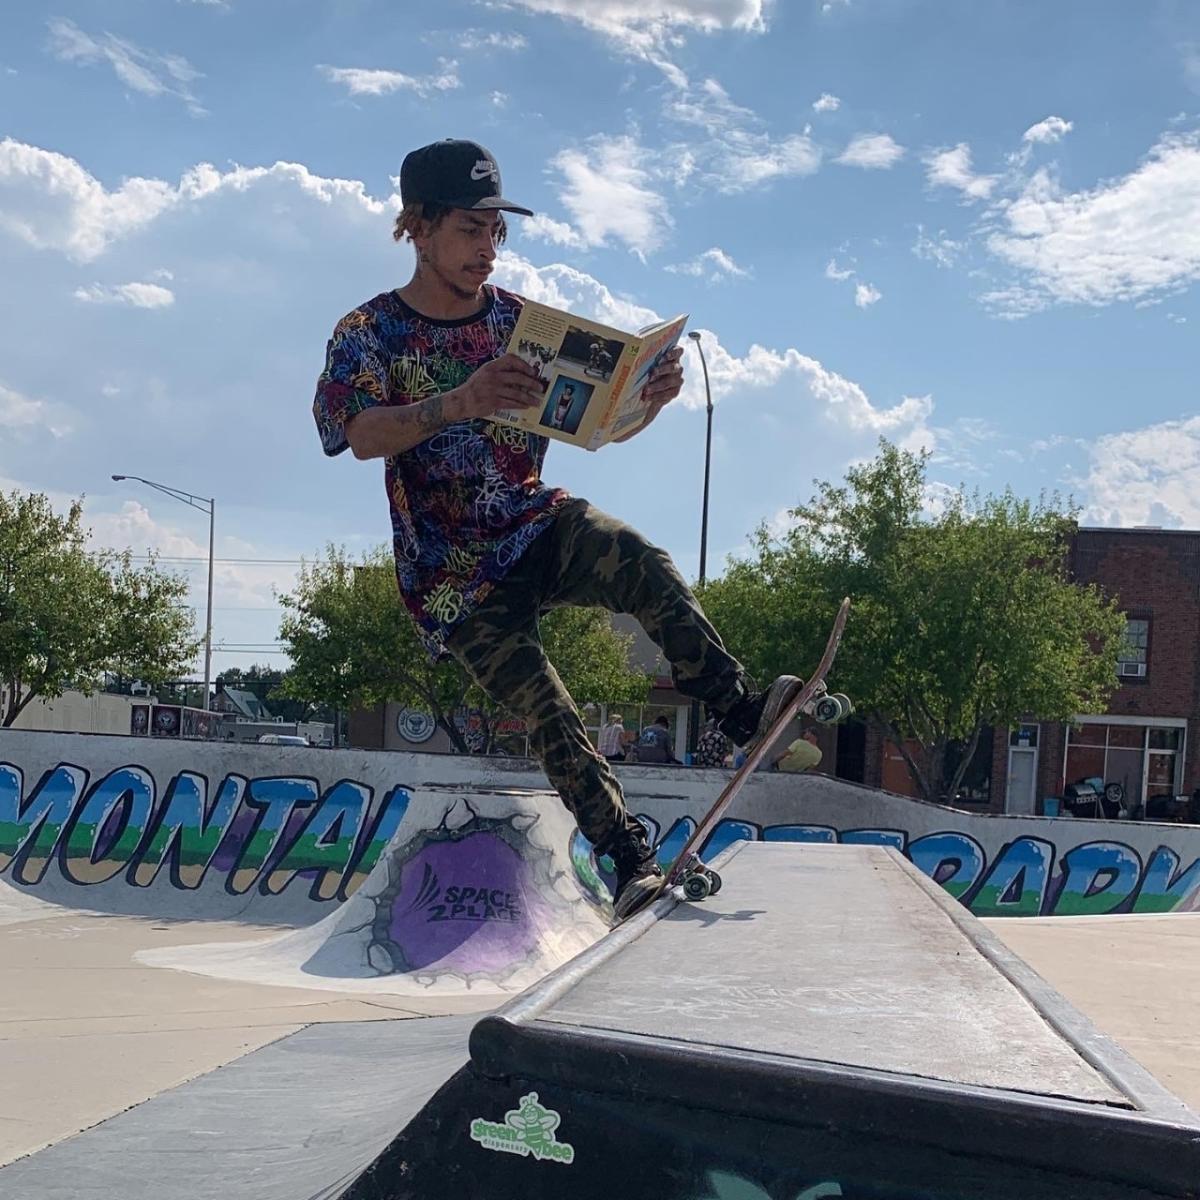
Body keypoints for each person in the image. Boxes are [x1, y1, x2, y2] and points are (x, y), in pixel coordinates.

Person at [312, 138, 805, 920]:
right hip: (454, 579)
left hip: (534, 523)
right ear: (419, 227)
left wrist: (649, 401)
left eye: (496, 233)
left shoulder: (521, 325)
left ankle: (737, 708)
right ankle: (630, 863)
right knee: (551, 713)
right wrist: (459, 402)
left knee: (639, 558)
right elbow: (359, 433)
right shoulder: (370, 332)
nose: (488, 249)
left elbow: (598, 428)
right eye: (471, 230)